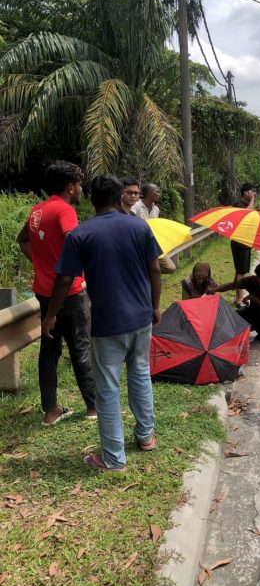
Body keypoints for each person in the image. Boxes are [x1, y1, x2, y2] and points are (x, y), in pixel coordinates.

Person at [41, 175, 162, 471]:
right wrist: (156, 307)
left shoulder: (81, 234)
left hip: (108, 323)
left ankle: (113, 457)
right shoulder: (138, 226)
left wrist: (51, 314)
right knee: (140, 375)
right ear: (120, 196)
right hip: (141, 317)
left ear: (93, 199)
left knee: (107, 388)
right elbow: (155, 269)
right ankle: (146, 437)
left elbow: (65, 279)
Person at [17, 160, 96, 426]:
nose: (82, 189)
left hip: (44, 290)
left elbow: (23, 240)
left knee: (49, 350)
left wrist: (42, 265)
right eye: (80, 184)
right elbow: (75, 243)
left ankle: (50, 411)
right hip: (69, 291)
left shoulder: (37, 210)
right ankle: (93, 407)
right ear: (70, 187)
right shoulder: (65, 211)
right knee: (80, 347)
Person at [209, 262, 260, 344]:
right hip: (252, 311)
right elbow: (231, 286)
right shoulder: (251, 281)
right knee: (232, 316)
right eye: (258, 277)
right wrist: (214, 289)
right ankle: (253, 330)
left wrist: (252, 297)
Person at [231, 182, 257, 308]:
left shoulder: (247, 205)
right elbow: (246, 216)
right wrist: (252, 201)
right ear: (246, 192)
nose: (254, 194)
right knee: (240, 271)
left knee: (240, 271)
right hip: (239, 242)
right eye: (252, 191)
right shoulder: (238, 205)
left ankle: (239, 296)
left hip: (246, 242)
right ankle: (239, 298)